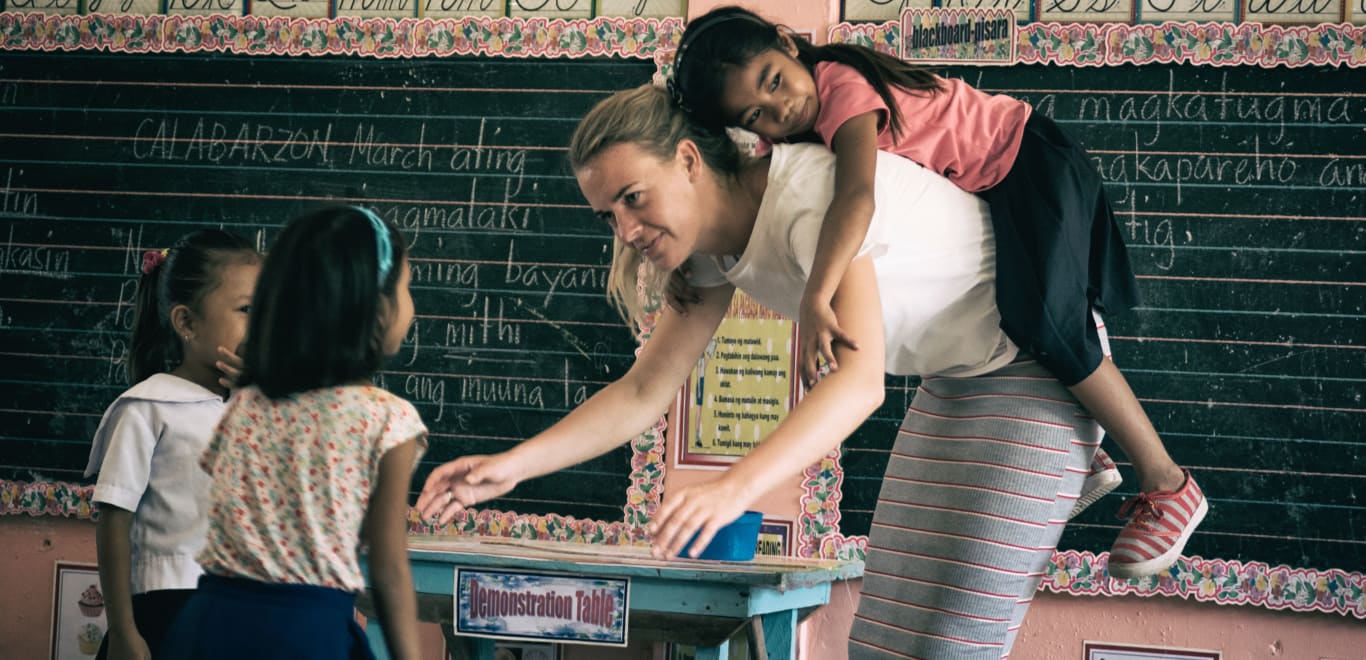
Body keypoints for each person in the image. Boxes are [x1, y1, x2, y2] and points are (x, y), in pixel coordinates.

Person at [422, 83, 1107, 658]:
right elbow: (642, 391)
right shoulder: (707, 254)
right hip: (955, 382)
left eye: (633, 197)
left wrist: (733, 488)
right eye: (609, 215)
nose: (625, 231)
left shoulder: (808, 198)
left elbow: (860, 380)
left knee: (949, 648)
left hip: (1038, 377)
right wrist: (513, 465)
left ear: (688, 160)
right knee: (880, 645)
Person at [667, 5, 1206, 578]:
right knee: (1016, 311)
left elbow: (856, 200)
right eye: (757, 114)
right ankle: (1084, 454)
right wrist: (687, 247)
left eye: (774, 81)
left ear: (787, 42)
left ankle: (1169, 482)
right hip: (995, 184)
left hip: (1027, 159)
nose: (780, 108)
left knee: (1048, 321)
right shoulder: (795, 132)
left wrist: (815, 295)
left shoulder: (842, 89)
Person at [160, 206, 426, 660]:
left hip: (207, 624)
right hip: (303, 635)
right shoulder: (388, 421)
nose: (412, 306)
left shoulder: (246, 403)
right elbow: (388, 571)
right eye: (406, 288)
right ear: (377, 307)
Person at [84, 229, 261, 660]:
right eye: (246, 309)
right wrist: (123, 631)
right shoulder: (148, 407)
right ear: (186, 322)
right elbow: (113, 521)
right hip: (168, 609)